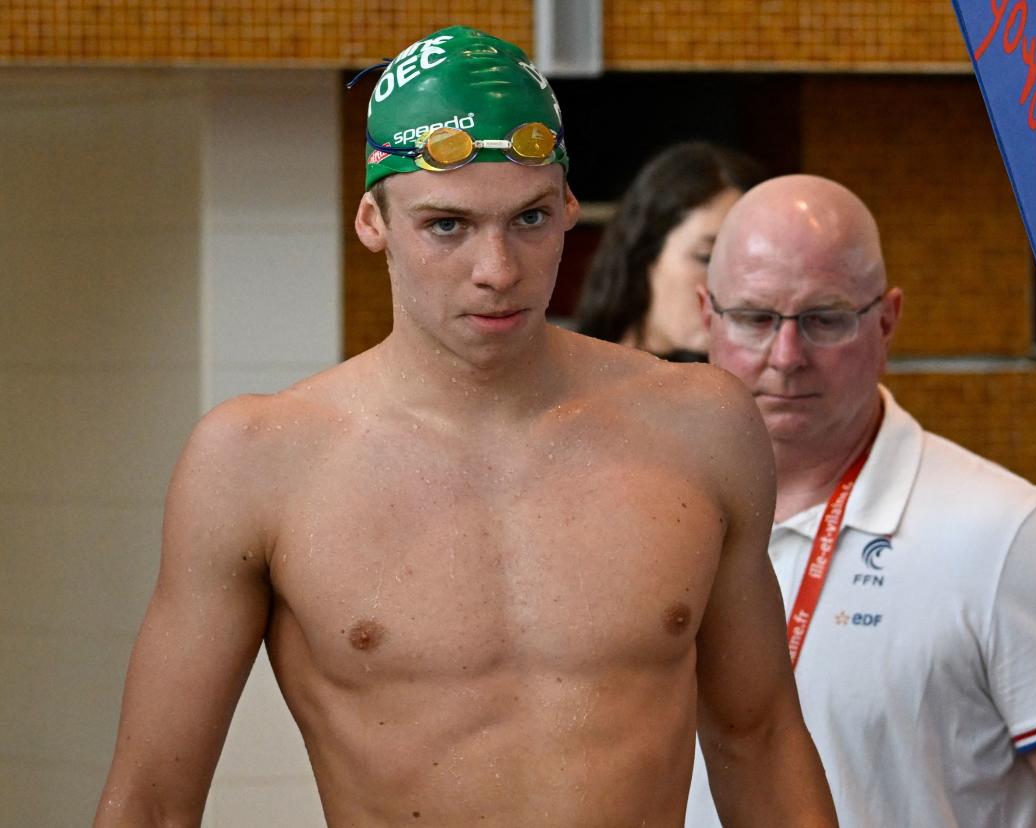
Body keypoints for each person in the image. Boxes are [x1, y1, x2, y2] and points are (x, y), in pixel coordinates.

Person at [93, 28, 837, 828]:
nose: (498, 269)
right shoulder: (258, 462)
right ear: (373, 222)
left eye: (529, 218)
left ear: (570, 212)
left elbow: (756, 737)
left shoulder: (701, 427)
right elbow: (153, 803)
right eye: (446, 225)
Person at [685, 174, 1036, 827]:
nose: (786, 356)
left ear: (887, 321)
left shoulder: (1003, 532)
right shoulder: (655, 519)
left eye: (825, 319)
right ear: (706, 317)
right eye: (756, 319)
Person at [575, 141, 764, 361]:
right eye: (706, 258)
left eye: (749, 265)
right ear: (644, 254)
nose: (731, 286)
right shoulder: (575, 378)